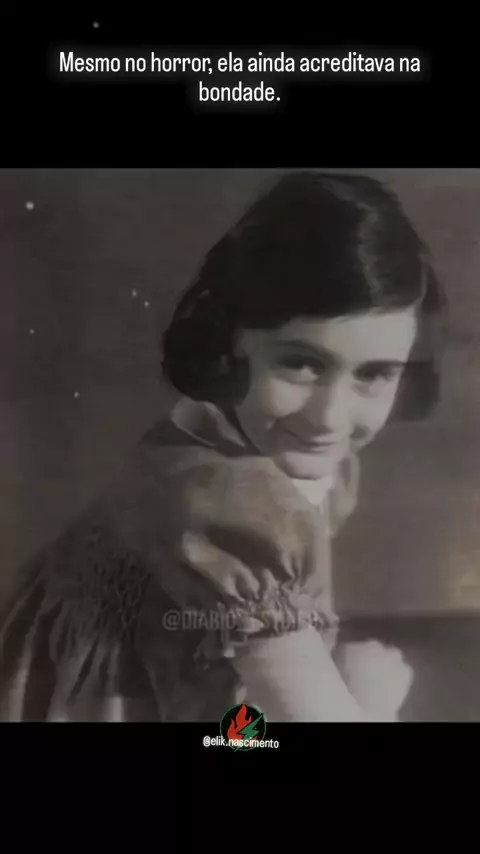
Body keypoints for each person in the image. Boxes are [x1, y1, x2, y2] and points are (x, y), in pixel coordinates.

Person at [0, 171, 446, 722]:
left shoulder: (263, 453)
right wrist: (368, 699)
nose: (330, 417)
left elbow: (242, 719)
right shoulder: (227, 501)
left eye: (374, 374)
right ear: (228, 340)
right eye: (301, 363)